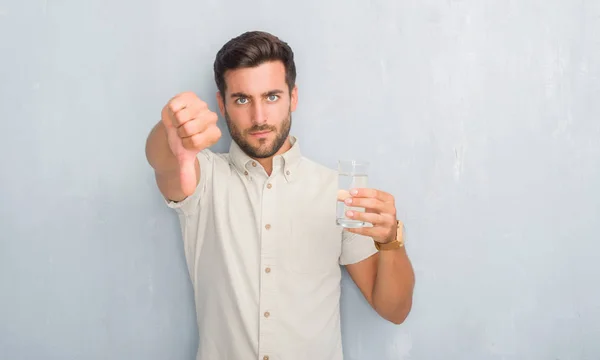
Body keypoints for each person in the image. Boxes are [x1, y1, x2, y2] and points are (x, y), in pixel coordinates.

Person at [145, 30, 415, 360]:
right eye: (242, 99)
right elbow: (164, 160)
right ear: (222, 104)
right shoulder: (203, 178)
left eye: (272, 96)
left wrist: (391, 242)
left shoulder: (338, 193)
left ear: (293, 97)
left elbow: (394, 310)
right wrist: (171, 130)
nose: (259, 118)